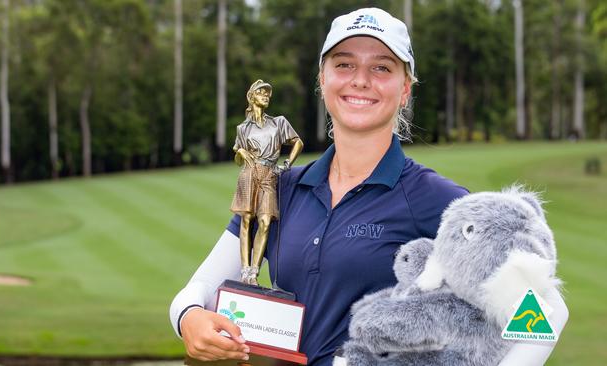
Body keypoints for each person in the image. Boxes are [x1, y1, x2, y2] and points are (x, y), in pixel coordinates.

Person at [170, 8, 568, 366]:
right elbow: (198, 290)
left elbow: (546, 313)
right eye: (344, 64)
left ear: (405, 89)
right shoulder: (281, 188)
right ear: (322, 79)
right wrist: (189, 319)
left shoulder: (439, 200)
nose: (360, 80)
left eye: (381, 68)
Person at [231, 79, 303, 285]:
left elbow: (298, 142)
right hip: (248, 174)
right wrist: (241, 151)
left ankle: (254, 271)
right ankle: (246, 273)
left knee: (264, 222)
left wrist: (287, 163)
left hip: (269, 173)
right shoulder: (243, 128)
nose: (266, 97)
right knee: (246, 220)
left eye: (268, 95)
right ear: (252, 97)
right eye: (261, 93)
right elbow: (238, 160)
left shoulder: (278, 122)